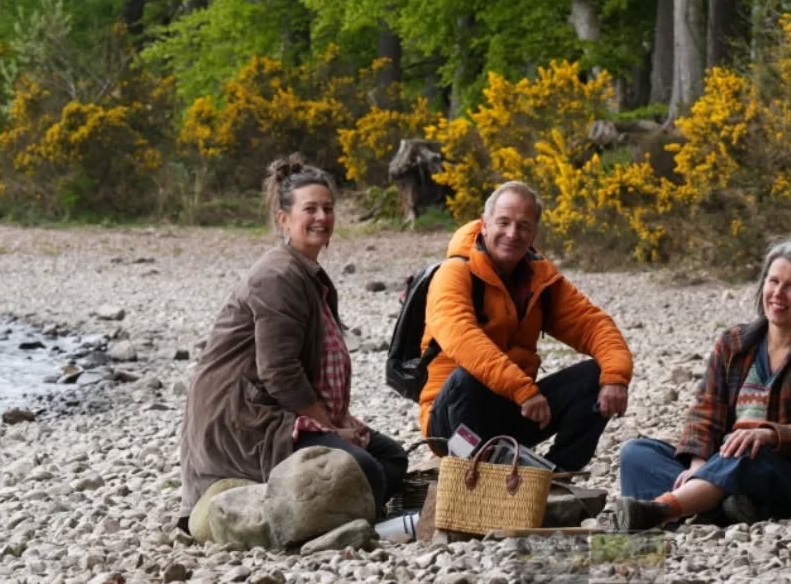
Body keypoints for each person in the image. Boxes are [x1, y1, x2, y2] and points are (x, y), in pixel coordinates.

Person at [179, 155, 407, 525]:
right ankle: (316, 519)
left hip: (282, 409)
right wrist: (332, 429)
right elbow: (280, 373)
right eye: (310, 209)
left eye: (328, 208)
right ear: (284, 219)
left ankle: (341, 512)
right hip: (247, 420)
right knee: (364, 469)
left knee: (391, 458)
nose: (321, 217)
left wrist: (339, 424)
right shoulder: (277, 276)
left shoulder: (305, 272)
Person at [613, 238, 791, 529]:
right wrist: (698, 466)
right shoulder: (734, 343)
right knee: (636, 453)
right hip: (726, 464)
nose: (778, 293)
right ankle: (720, 505)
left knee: (748, 453)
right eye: (773, 281)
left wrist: (768, 436)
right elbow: (705, 411)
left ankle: (665, 509)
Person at [419, 180, 633, 472]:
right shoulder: (454, 273)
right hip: (451, 423)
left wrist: (616, 377)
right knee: (469, 375)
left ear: (534, 234)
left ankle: (556, 475)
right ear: (484, 225)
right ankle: (472, 470)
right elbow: (463, 339)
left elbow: (593, 325)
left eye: (523, 226)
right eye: (503, 222)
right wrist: (524, 390)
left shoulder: (540, 280)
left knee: (597, 375)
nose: (512, 233)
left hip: (516, 410)